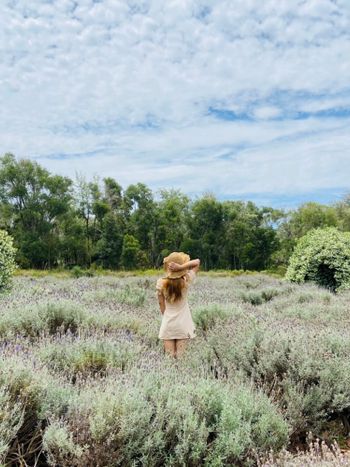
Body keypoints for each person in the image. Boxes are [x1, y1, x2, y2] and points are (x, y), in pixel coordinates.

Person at [156, 252, 200, 358]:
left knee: (170, 358)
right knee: (181, 359)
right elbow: (197, 262)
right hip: (183, 324)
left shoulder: (161, 283)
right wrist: (181, 267)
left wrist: (166, 315)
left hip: (168, 323)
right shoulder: (186, 281)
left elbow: (161, 303)